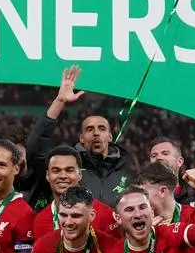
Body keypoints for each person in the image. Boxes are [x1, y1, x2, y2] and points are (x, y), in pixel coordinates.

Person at [26, 67, 132, 207]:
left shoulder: (126, 174)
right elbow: (36, 149)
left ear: (110, 136)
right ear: (81, 138)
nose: (96, 133)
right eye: (89, 129)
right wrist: (60, 100)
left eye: (101, 128)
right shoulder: (67, 168)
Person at [31, 146, 120, 240]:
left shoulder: (104, 214)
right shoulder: (40, 221)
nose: (62, 176)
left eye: (69, 170)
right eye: (56, 171)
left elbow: (119, 251)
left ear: (80, 175)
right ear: (48, 175)